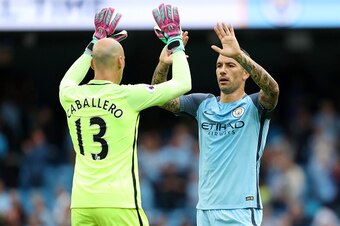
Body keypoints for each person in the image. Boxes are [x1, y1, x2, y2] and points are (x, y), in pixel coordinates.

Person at [59, 5, 191, 226]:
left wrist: (95, 42)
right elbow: (183, 83)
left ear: (92, 63)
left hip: (81, 203)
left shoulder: (70, 94)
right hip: (119, 202)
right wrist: (175, 41)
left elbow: (69, 78)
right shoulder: (128, 95)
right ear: (121, 61)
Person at [151, 22, 280, 225]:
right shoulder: (202, 104)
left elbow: (272, 90)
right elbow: (158, 97)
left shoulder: (255, 105)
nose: (222, 71)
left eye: (230, 65)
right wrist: (164, 64)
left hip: (241, 210)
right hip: (205, 210)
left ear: (245, 72)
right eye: (219, 66)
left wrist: (239, 55)